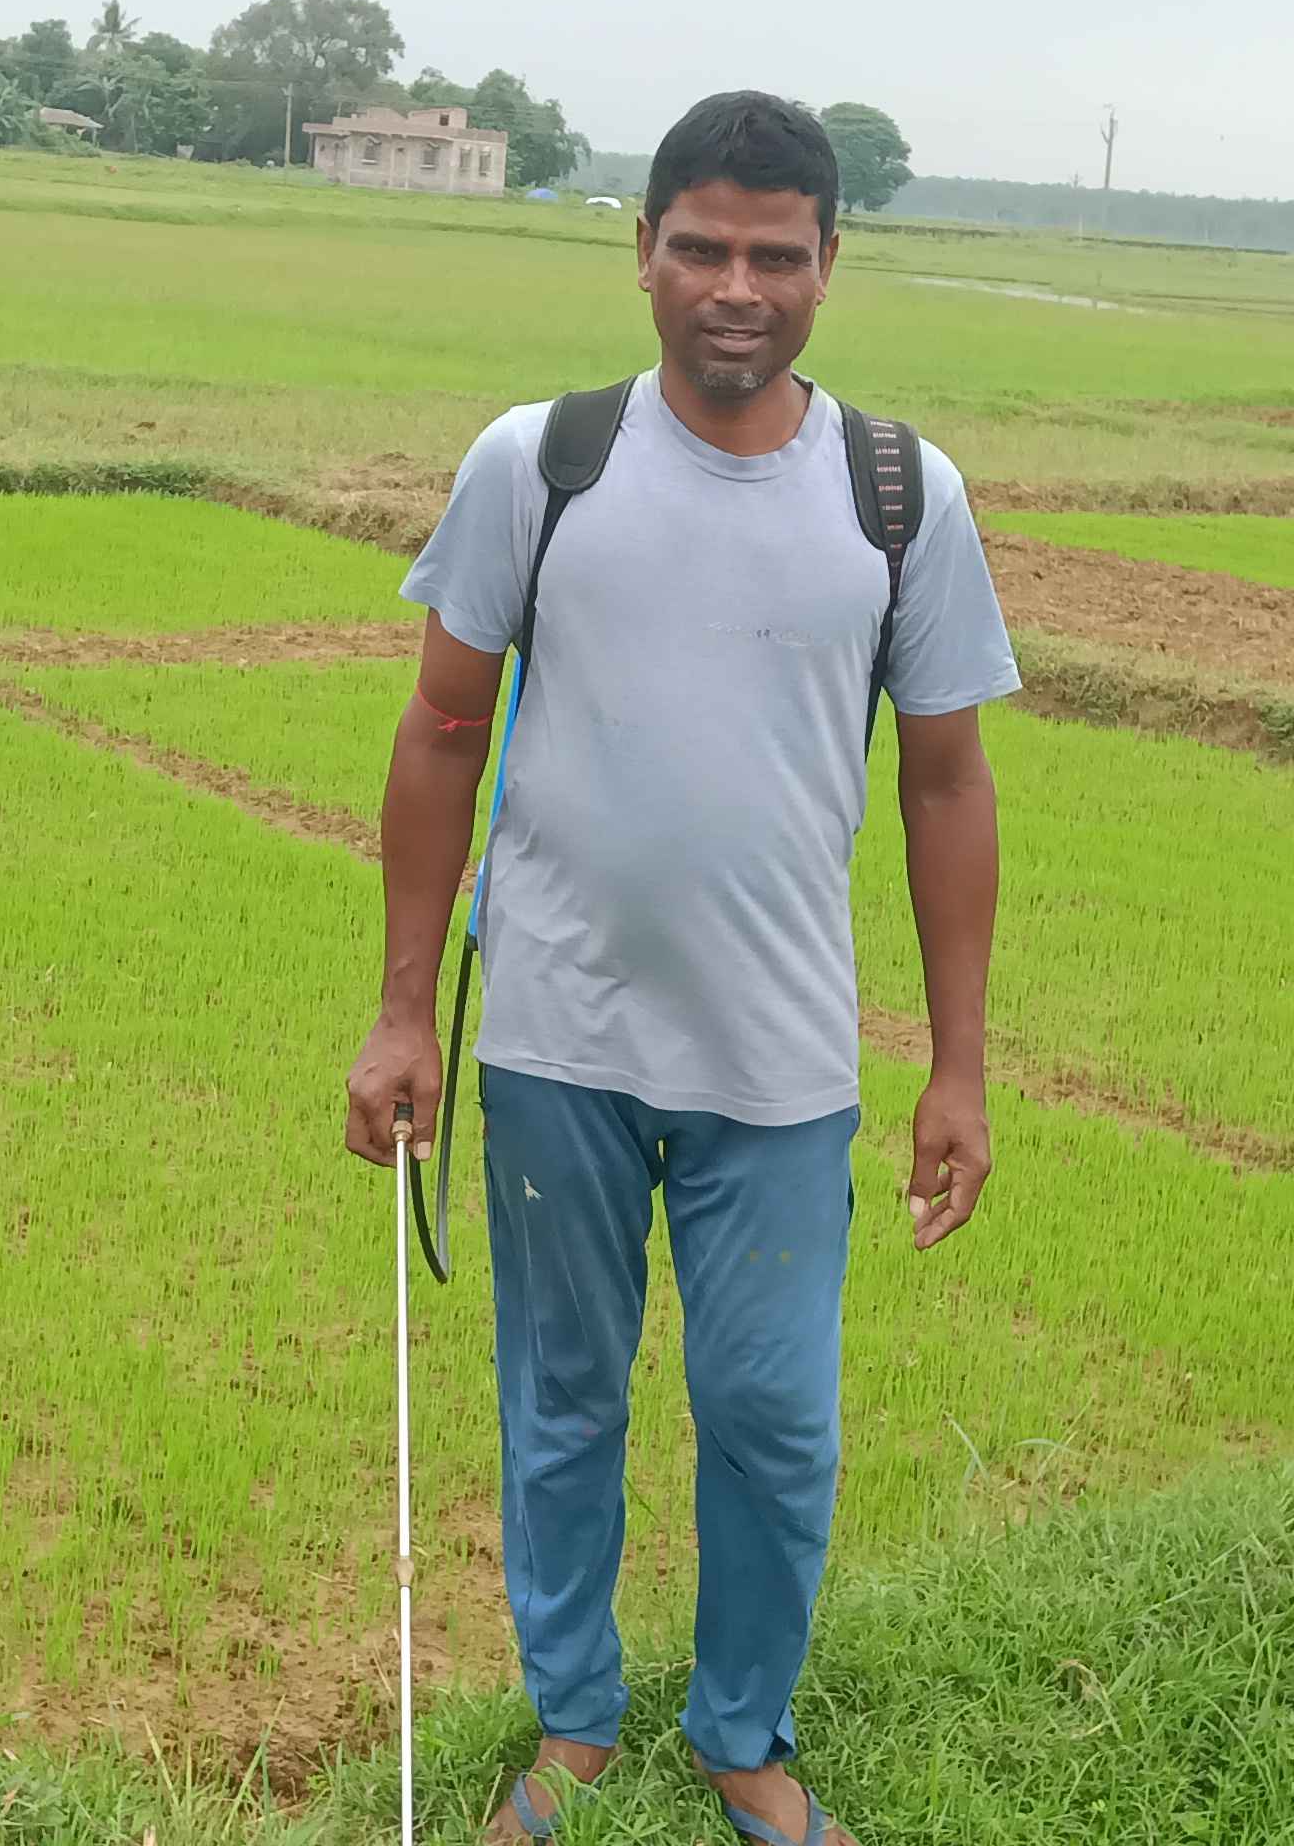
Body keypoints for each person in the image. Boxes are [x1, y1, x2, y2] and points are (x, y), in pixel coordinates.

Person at [340, 91, 1013, 1846]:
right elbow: (439, 730)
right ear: (641, 251)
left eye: (776, 256)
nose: (737, 288)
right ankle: (573, 1721)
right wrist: (404, 1012)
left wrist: (959, 1066)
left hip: (779, 1061)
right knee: (563, 1405)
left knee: (773, 1417)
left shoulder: (898, 496)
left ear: (829, 265)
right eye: (701, 247)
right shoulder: (541, 464)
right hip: (556, 1036)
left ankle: (741, 1735)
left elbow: (947, 782)